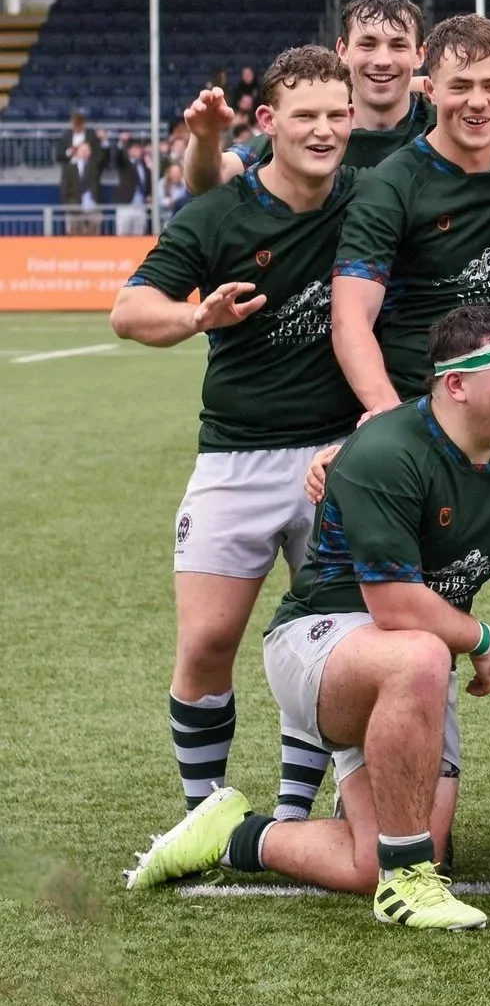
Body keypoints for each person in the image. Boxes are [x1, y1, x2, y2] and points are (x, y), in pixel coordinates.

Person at [123, 305, 490, 931]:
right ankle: (406, 886)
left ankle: (235, 833)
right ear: (456, 384)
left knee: (367, 859)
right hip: (321, 640)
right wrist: (483, 638)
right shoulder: (387, 450)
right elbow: (397, 607)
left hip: (404, 667)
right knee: (425, 653)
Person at [113, 48, 362, 836]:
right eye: (305, 116)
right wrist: (198, 316)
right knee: (208, 638)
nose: (322, 130)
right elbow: (130, 309)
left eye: (336, 115)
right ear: (269, 124)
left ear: (353, 121)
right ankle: (203, 812)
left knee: (325, 638)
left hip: (343, 453)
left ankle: (293, 809)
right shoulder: (219, 214)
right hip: (237, 455)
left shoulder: (370, 197)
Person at [332, 16, 490, 412]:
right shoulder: (391, 185)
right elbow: (350, 318)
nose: (478, 101)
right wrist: (388, 416)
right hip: (420, 403)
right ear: (431, 90)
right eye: (460, 86)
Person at [189, 0, 439, 194]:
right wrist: (204, 139)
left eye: (398, 45)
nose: (383, 60)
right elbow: (212, 179)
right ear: (342, 50)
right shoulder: (310, 131)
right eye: (368, 44)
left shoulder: (443, 128)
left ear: (419, 55)